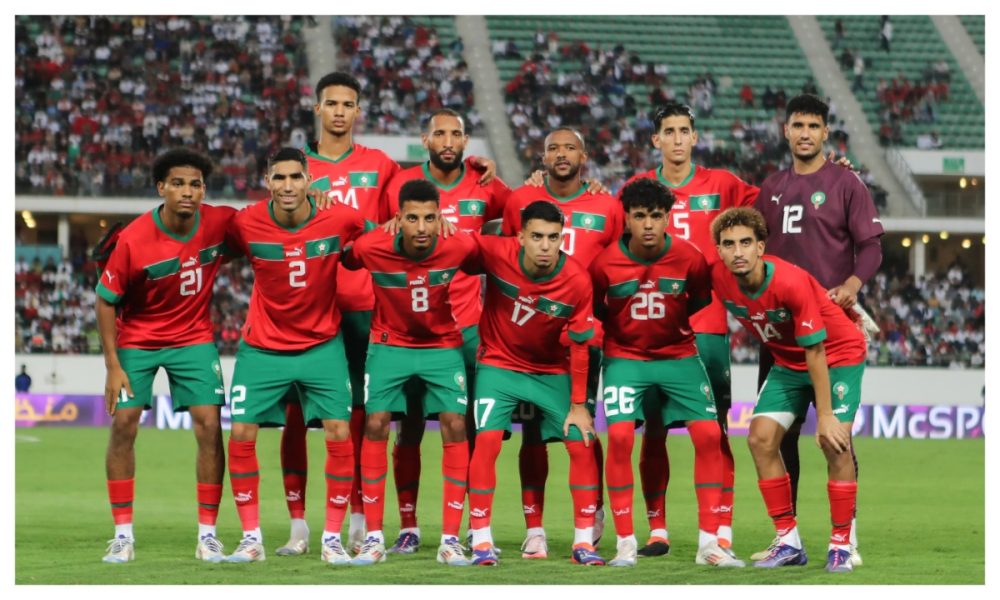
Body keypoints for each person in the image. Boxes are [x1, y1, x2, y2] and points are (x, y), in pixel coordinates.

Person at [279, 72, 496, 556]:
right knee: (298, 415)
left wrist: (475, 165)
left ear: (358, 111)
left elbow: (419, 201)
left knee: (366, 417)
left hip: (367, 307)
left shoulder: (380, 166)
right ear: (317, 108)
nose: (339, 111)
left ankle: (361, 520)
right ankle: (299, 526)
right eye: (331, 103)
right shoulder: (294, 169)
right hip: (309, 307)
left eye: (348, 104)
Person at [621, 102, 758, 557]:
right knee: (653, 430)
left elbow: (775, 203)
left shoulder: (723, 184)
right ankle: (657, 529)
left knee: (715, 431)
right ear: (655, 139)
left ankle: (721, 530)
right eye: (669, 131)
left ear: (695, 137)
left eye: (684, 131)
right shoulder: (637, 190)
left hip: (706, 325)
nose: (678, 139)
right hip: (652, 330)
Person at [751, 93, 883, 567]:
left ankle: (847, 536)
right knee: (776, 438)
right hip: (781, 336)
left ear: (826, 132)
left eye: (813, 126)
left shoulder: (845, 183)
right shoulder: (770, 188)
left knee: (835, 436)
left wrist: (852, 284)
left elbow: (872, 246)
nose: (805, 133)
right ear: (785, 131)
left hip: (831, 331)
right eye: (797, 125)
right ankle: (786, 538)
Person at [222, 148, 370, 565]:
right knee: (241, 434)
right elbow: (205, 240)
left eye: (295, 177)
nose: (287, 186)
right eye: (279, 177)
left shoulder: (339, 218)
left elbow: (384, 234)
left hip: (322, 346)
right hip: (262, 348)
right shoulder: (245, 222)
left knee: (339, 433)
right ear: (267, 182)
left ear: (309, 180)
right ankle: (251, 539)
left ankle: (332, 539)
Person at [590, 178, 745, 569]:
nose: (648, 224)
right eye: (640, 216)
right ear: (626, 218)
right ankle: (626, 543)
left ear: (668, 218)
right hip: (625, 358)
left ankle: (709, 544)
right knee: (620, 436)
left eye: (656, 216)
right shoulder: (604, 264)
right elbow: (598, 310)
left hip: (679, 355)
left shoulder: (690, 258)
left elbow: (697, 302)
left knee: (709, 435)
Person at [377, 108, 511, 554]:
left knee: (468, 429)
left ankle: (473, 525)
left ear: (466, 141)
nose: (448, 141)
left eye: (456, 134)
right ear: (426, 140)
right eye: (440, 134)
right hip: (409, 326)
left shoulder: (485, 184)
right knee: (408, 429)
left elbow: (523, 215)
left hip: (469, 327)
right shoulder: (400, 184)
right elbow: (378, 235)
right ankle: (409, 526)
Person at [710, 206, 866, 573]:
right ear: (718, 250)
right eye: (729, 244)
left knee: (834, 441)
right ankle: (788, 541)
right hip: (788, 362)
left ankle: (841, 544)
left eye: (745, 242)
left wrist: (824, 416)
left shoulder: (790, 281)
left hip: (837, 354)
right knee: (760, 439)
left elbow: (816, 350)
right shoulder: (717, 277)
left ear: (761, 247)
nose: (738, 252)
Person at [96, 148, 231, 563]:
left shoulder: (221, 222)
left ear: (203, 190)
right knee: (124, 424)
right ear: (161, 188)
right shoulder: (134, 238)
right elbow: (105, 301)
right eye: (177, 184)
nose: (187, 192)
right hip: (138, 338)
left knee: (210, 426)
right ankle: (122, 535)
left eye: (195, 184)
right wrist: (113, 366)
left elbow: (269, 227)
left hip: (193, 338)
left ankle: (208, 535)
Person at [500, 128, 623, 557]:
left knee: (583, 427)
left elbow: (620, 263)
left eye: (570, 147)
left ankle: (592, 514)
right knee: (532, 433)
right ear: (543, 157)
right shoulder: (520, 201)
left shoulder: (607, 205)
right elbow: (505, 255)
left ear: (584, 156)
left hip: (583, 339)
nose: (562, 154)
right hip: (528, 339)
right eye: (553, 148)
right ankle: (534, 529)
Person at [343, 179, 479, 566]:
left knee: (455, 424)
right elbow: (347, 258)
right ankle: (373, 538)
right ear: (398, 218)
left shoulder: (459, 244)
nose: (421, 227)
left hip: (441, 345)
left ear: (441, 218)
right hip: (389, 345)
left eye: (430, 218)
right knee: (376, 423)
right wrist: (374, 228)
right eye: (413, 218)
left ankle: (450, 540)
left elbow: (492, 256)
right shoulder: (373, 246)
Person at [466, 200, 604, 566]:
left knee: (582, 441)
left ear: (562, 238)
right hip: (499, 365)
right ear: (521, 236)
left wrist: (579, 405)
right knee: (487, 441)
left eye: (553, 238)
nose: (545, 246)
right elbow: (455, 249)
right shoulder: (495, 252)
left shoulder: (576, 280)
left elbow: (580, 346)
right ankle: (481, 539)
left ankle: (583, 543)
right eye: (538, 237)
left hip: (550, 370)